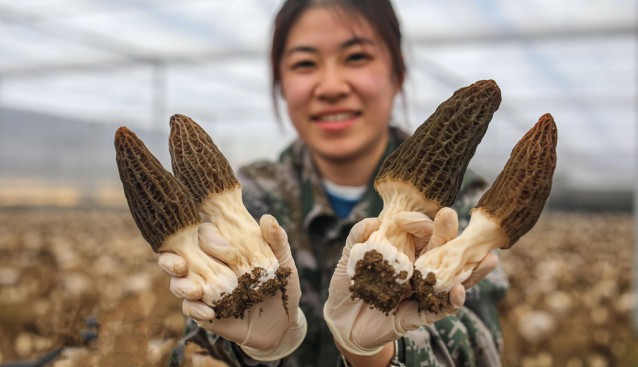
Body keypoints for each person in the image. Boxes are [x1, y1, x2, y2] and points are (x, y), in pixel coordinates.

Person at [159, 0, 509, 366]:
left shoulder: (462, 208)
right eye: (305, 63)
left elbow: (481, 347)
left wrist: (372, 353)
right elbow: (192, 353)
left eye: (356, 57)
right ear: (280, 83)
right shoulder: (251, 195)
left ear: (398, 73)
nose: (330, 86)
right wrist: (252, 348)